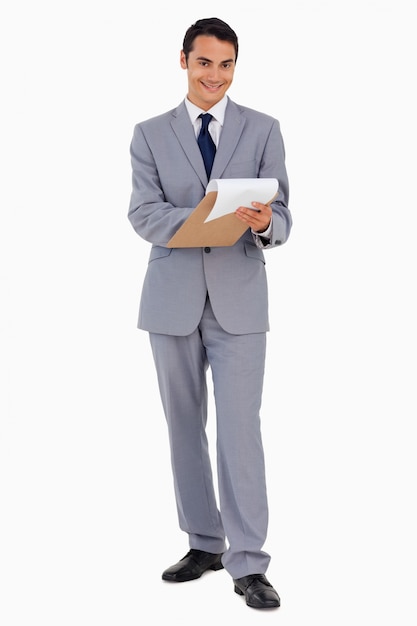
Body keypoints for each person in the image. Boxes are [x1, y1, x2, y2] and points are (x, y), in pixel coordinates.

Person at [128, 17, 292, 610]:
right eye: (204, 63)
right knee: (183, 426)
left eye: (225, 65)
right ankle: (204, 542)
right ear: (184, 62)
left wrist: (266, 223)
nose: (215, 76)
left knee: (240, 432)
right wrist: (201, 221)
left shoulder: (264, 128)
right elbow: (143, 213)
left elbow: (286, 215)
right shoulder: (149, 134)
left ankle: (249, 563)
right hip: (170, 301)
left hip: (240, 302)